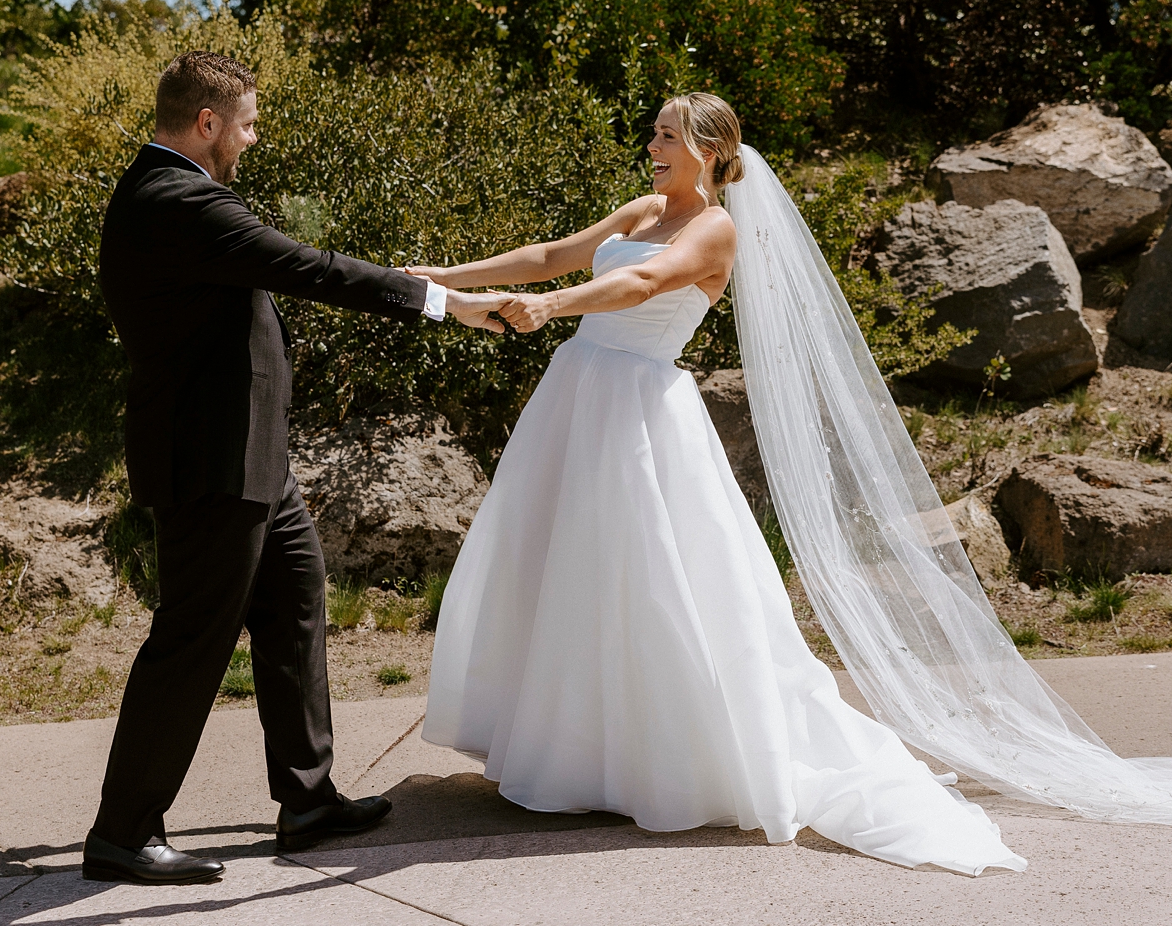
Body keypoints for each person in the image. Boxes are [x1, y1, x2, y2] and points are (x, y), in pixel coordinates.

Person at [412, 93, 1029, 874]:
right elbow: (548, 255)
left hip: (639, 409)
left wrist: (551, 309)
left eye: (668, 134)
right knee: (559, 566)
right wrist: (443, 275)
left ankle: (657, 757)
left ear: (708, 150)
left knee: (649, 580)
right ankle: (571, 749)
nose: (653, 143)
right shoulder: (642, 208)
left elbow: (643, 287)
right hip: (575, 397)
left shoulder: (715, 228)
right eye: (655, 132)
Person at [82, 50, 511, 885]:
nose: (253, 136)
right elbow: (306, 268)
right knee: (192, 638)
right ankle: (123, 832)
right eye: (245, 122)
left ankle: (307, 798)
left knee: (294, 602)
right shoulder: (177, 200)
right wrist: (440, 300)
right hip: (209, 462)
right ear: (206, 123)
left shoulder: (171, 194)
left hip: (249, 458)